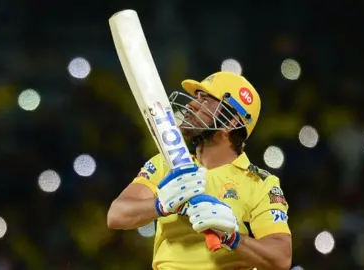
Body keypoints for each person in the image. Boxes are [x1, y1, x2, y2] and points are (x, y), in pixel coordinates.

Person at [107, 71, 292, 270]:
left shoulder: (260, 183)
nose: (190, 105)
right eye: (196, 98)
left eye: (204, 100)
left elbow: (281, 259)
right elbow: (116, 215)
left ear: (232, 122)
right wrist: (162, 204)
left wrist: (231, 238)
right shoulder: (165, 163)